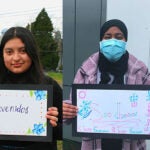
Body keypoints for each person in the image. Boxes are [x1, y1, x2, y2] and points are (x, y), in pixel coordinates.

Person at [63, 19, 150, 150]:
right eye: (107, 37)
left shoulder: (140, 70)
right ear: (101, 40)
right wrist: (66, 110)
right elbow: (74, 103)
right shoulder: (86, 69)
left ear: (125, 40)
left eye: (119, 37)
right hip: (93, 144)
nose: (113, 41)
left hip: (132, 144)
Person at [0, 27, 62, 150]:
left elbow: (66, 131)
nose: (16, 58)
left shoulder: (50, 86)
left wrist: (52, 125)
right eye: (9, 52)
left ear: (32, 52)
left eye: (23, 51)